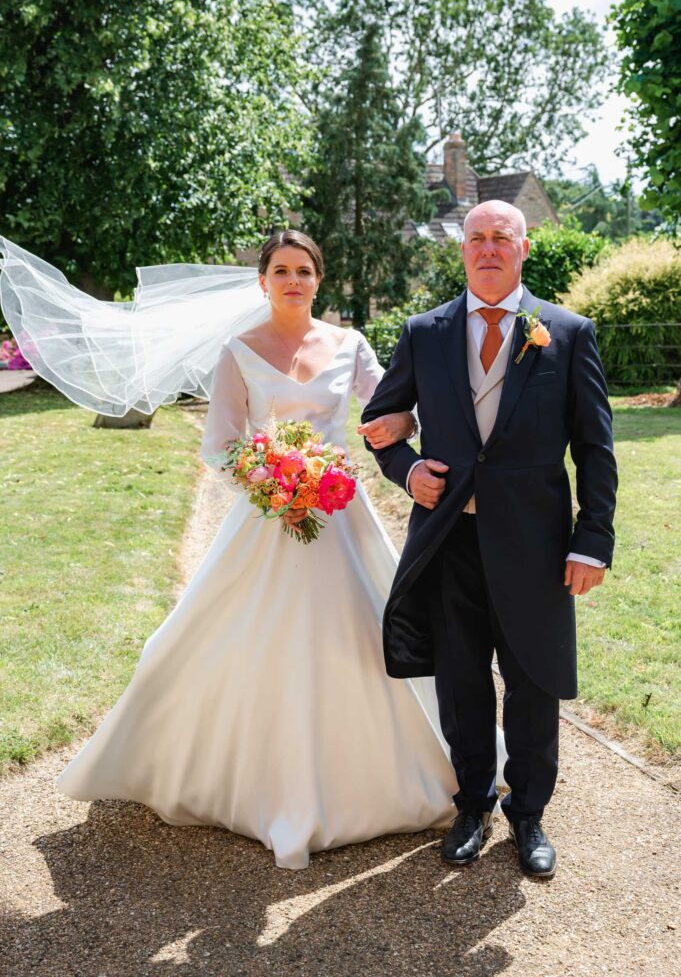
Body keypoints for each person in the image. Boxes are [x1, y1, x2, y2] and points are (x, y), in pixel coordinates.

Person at [37, 228, 510, 871]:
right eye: (281, 271)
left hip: (341, 518)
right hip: (268, 518)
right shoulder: (238, 351)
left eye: (304, 271)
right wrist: (272, 480)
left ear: (320, 280)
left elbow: (395, 410)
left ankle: (416, 771)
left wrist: (414, 441)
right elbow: (221, 444)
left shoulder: (351, 345)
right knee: (229, 636)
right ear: (262, 282)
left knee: (371, 635)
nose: (293, 281)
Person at [361, 201, 617, 879]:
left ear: (522, 248)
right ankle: (471, 804)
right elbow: (379, 421)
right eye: (474, 238)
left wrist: (590, 540)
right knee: (461, 680)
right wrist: (406, 468)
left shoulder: (566, 331)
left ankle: (527, 814)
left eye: (500, 237)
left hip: (535, 545)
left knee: (532, 681)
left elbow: (594, 447)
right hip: (448, 541)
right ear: (462, 250)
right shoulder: (423, 332)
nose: (486, 248)